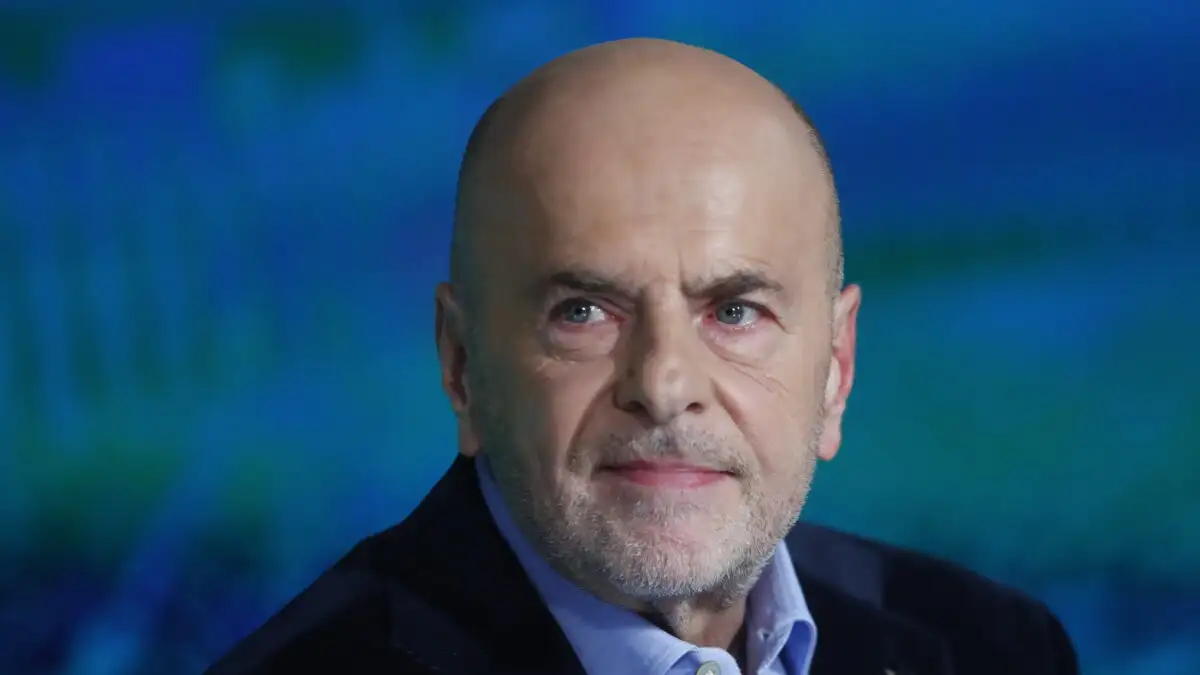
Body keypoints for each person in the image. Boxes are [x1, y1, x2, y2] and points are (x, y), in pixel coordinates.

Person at [206, 38, 1079, 675]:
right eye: (584, 311)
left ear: (836, 370)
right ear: (462, 366)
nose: (664, 385)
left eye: (734, 311)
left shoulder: (993, 647)